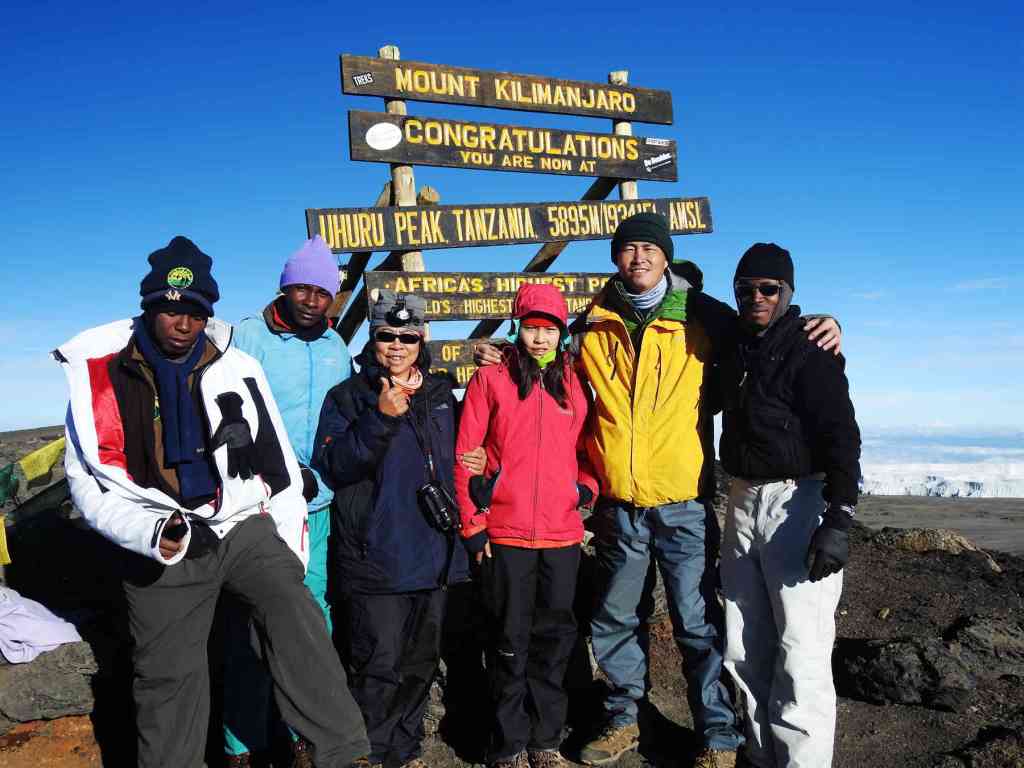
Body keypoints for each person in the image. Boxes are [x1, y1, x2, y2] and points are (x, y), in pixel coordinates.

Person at [474, 213, 842, 768]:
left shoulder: (703, 315)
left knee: (697, 622)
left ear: (666, 256)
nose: (639, 256)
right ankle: (625, 718)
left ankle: (718, 736)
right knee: (615, 619)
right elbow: (544, 358)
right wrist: (500, 354)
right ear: (615, 258)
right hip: (618, 503)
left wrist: (824, 322)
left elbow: (765, 328)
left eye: (650, 247)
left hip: (682, 501)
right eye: (628, 248)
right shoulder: (592, 322)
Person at [55, 236, 369, 768]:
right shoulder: (102, 375)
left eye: (197, 312)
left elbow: (277, 464)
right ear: (149, 306)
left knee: (297, 615)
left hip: (240, 523)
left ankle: (343, 754)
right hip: (160, 536)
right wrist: (150, 533)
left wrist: (288, 548)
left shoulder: (235, 365)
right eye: (172, 309)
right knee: (168, 676)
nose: (184, 324)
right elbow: (87, 481)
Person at [714, 244, 860, 768]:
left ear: (788, 292)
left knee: (801, 649)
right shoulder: (734, 340)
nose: (756, 297)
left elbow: (842, 435)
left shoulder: (810, 347)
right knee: (744, 643)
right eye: (745, 289)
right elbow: (677, 291)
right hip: (741, 497)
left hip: (798, 501)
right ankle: (761, 756)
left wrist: (839, 517)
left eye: (769, 289)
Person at [312, 291, 471, 768]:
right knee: (376, 667)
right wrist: (379, 419)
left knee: (420, 665)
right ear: (372, 338)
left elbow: (461, 459)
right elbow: (334, 465)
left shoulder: (440, 395)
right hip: (375, 558)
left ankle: (404, 751)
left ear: (421, 340)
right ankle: (369, 754)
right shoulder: (347, 397)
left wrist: (479, 460)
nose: (397, 345)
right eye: (387, 335)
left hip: (433, 554)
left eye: (408, 336)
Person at [454, 284, 599, 768]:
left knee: (554, 641)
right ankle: (508, 745)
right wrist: (473, 525)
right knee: (508, 641)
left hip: (561, 534)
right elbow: (467, 454)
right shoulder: (490, 379)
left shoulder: (575, 383)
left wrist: (584, 490)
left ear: (561, 333)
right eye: (531, 328)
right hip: (506, 532)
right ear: (518, 328)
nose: (540, 338)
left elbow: (587, 450)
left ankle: (545, 741)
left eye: (549, 329)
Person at [223, 235, 352, 766]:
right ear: (284, 287)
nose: (311, 300)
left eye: (322, 292)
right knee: (250, 620)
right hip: (257, 506)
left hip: (316, 506)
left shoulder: (335, 346)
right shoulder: (248, 337)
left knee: (313, 618)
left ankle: (306, 736)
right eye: (302, 288)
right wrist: (267, 474)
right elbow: (224, 413)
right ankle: (242, 745)